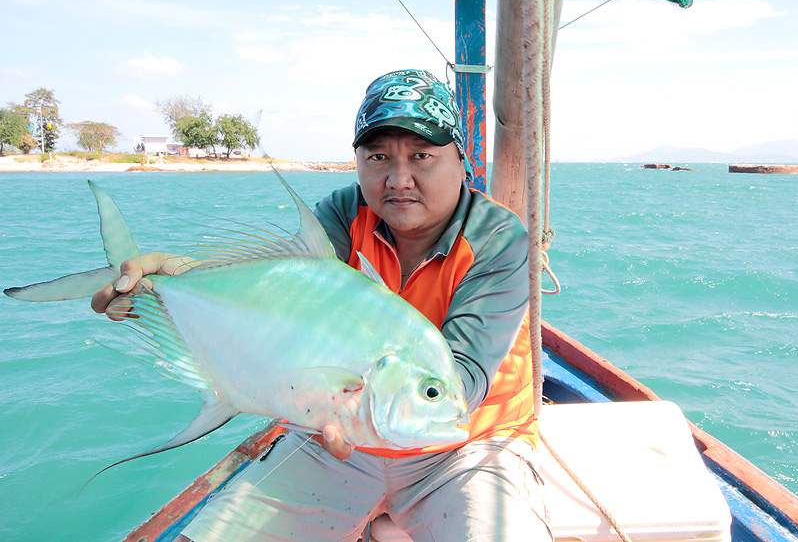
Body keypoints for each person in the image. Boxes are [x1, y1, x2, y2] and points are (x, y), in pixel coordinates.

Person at [92, 69, 551, 542]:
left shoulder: (498, 239)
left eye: (422, 156)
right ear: (357, 162)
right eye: (378, 156)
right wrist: (171, 283)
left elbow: (465, 381)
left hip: (467, 448)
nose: (399, 179)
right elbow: (281, 295)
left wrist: (366, 409)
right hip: (335, 442)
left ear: (461, 159)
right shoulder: (342, 213)